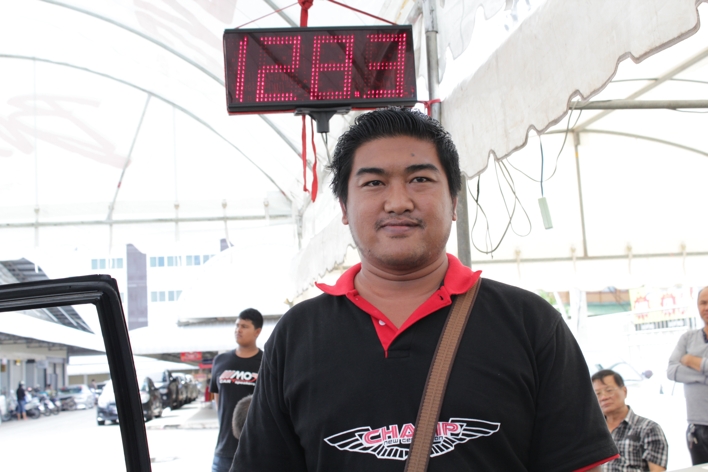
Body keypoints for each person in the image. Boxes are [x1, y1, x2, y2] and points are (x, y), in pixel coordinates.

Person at [232, 107, 617, 471]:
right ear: (344, 207)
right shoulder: (297, 335)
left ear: (453, 200)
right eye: (374, 183)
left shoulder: (531, 323)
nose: (398, 202)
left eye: (420, 179)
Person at [210, 308, 263, 472]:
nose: (238, 330)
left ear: (257, 331)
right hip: (223, 452)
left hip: (256, 452)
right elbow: (218, 400)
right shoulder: (220, 361)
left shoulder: (266, 363)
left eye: (244, 326)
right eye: (237, 325)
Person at [592, 369, 668, 471]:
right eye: (597, 394)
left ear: (624, 391)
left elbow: (657, 470)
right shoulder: (593, 433)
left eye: (609, 390)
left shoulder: (648, 428)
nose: (603, 397)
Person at [667, 286, 708, 465]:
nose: (706, 307)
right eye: (703, 303)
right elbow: (671, 371)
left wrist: (691, 360)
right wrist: (704, 376)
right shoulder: (688, 338)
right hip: (696, 426)